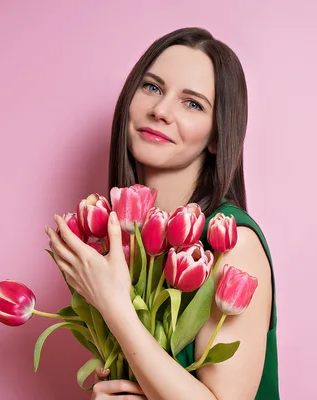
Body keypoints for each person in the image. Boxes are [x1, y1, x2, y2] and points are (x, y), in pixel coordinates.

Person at [45, 27, 280, 399]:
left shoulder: (233, 244)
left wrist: (113, 305)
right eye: (152, 87)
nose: (160, 111)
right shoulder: (122, 245)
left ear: (218, 136)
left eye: (193, 103)